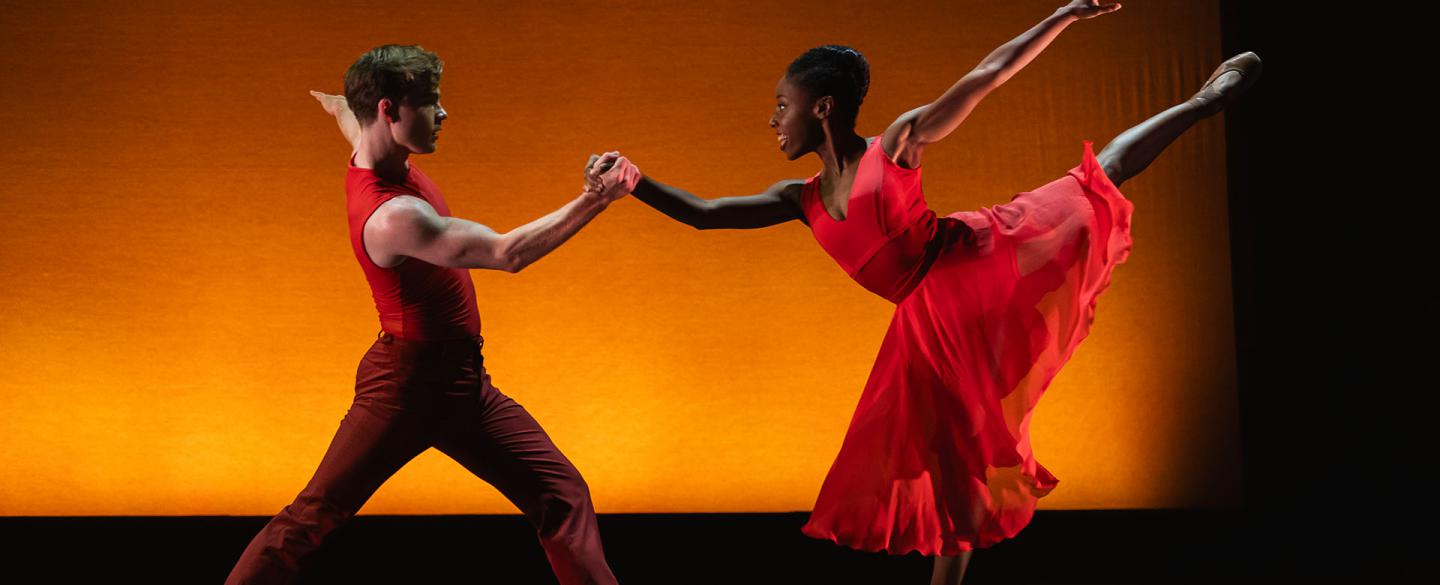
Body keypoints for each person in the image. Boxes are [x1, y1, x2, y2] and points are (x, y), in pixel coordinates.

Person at [589, 2, 1260, 582]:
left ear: (822, 108)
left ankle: (1206, 100)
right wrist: (633, 181)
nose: (773, 120)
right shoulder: (798, 200)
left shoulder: (896, 146)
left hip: (974, 263)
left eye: (781, 106)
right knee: (952, 468)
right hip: (926, 327)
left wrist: (1063, 14)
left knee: (1098, 180)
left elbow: (985, 77)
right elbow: (705, 214)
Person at [225, 44, 639, 585]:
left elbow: (350, 117)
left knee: (561, 495)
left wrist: (335, 104)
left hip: (462, 383)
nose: (444, 115)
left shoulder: (371, 144)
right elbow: (506, 254)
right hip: (404, 388)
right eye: (431, 103)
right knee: (313, 516)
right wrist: (594, 198)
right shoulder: (394, 215)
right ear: (389, 111)